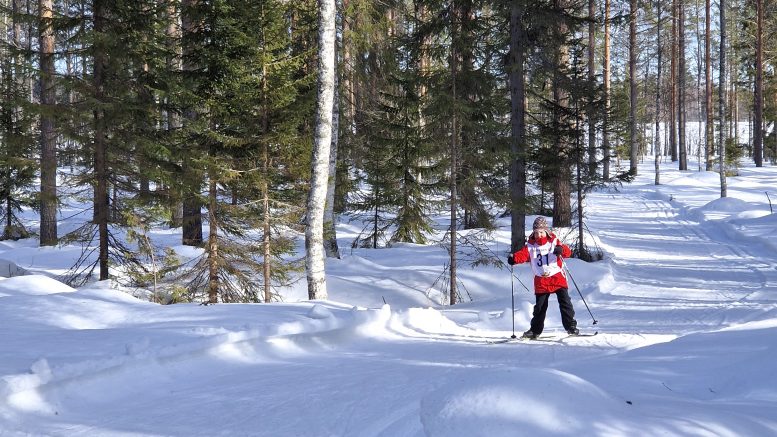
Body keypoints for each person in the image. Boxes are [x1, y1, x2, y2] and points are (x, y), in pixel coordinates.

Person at [507, 216, 578, 339]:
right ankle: (535, 330)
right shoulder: (530, 245)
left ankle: (571, 326)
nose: (539, 235)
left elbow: (567, 252)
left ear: (546, 231)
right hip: (541, 280)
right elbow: (523, 255)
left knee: (565, 302)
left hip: (556, 277)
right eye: (536, 232)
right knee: (540, 307)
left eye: (541, 232)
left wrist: (561, 249)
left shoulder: (553, 241)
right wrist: (514, 259)